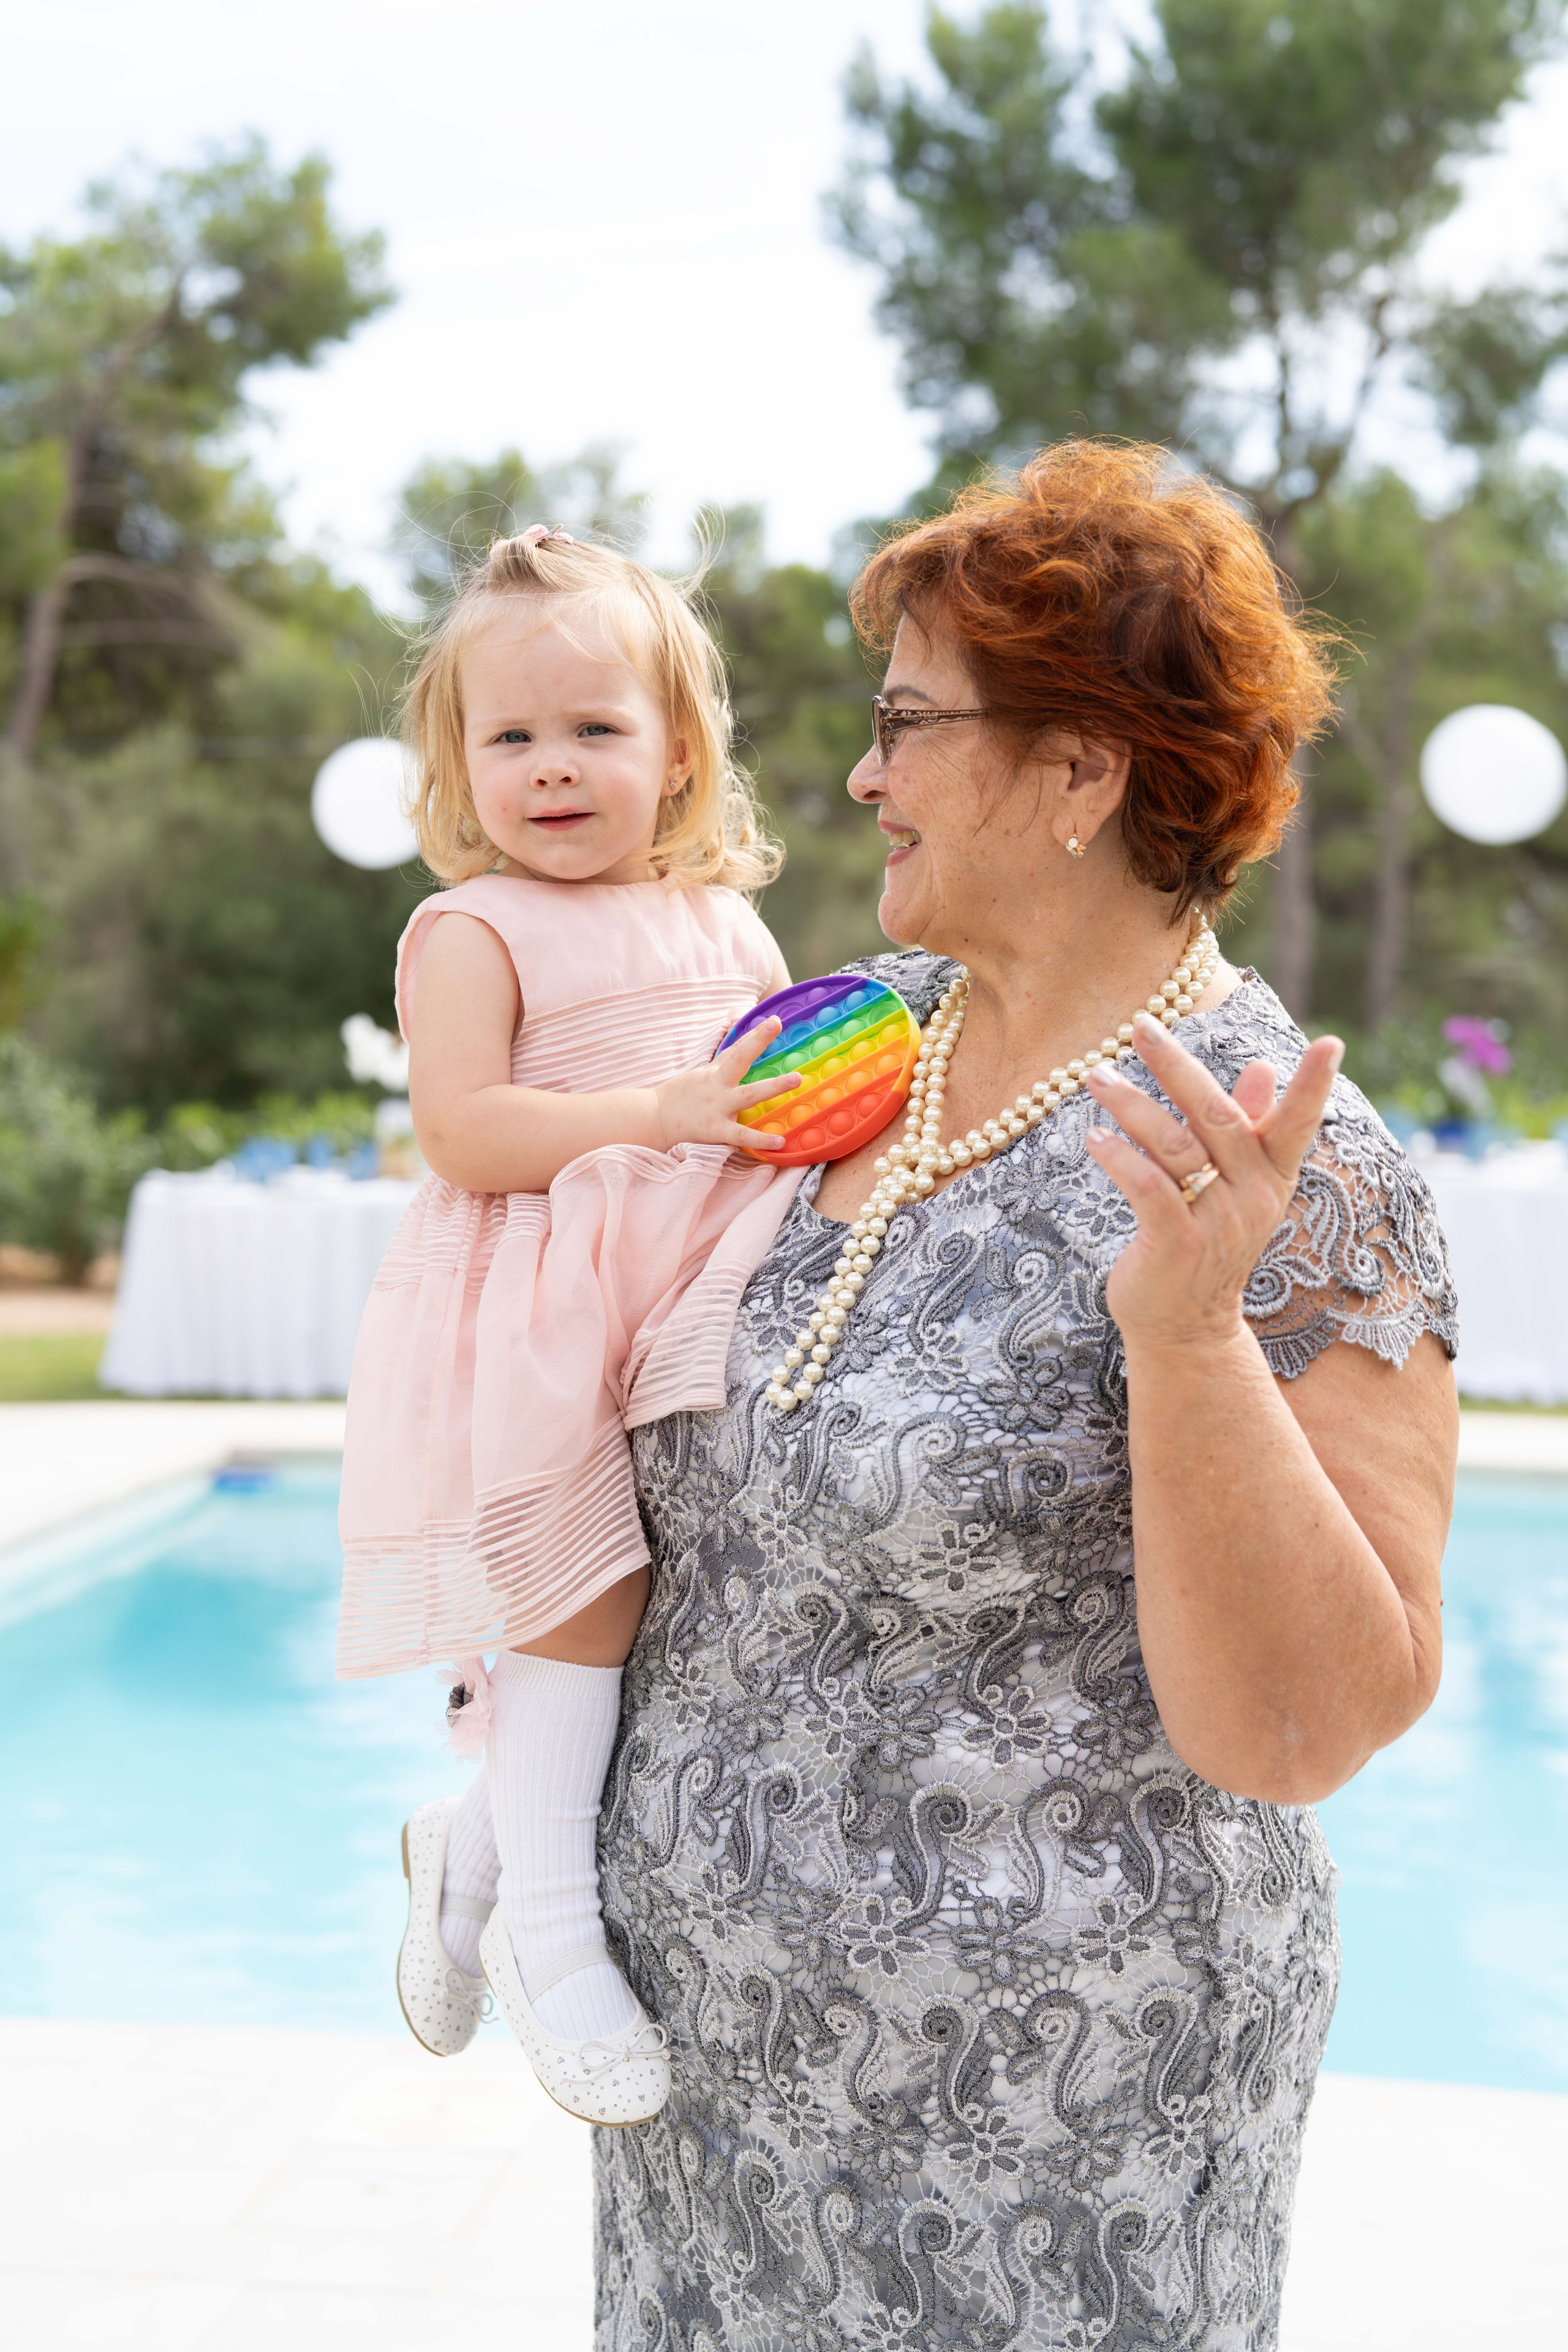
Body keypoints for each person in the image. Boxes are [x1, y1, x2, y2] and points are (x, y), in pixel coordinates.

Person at [592, 443, 1459, 2346]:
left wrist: (1191, 1337)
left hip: (1054, 2141)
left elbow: (1311, 1725)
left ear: (1083, 771)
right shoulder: (846, 1056)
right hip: (714, 2120)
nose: (861, 776)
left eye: (909, 723)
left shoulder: (1284, 1154)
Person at [337, 527, 806, 2127]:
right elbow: (465, 1132)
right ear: (459, 760)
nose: (552, 767)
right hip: (547, 1303)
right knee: (584, 1598)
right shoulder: (471, 928)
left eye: (596, 730)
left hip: (701, 1290)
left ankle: (465, 1836)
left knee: (670, 1594)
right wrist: (662, 1111)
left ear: (678, 752)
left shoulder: (728, 928)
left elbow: (776, 1099)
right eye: (511, 735)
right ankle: (547, 1926)